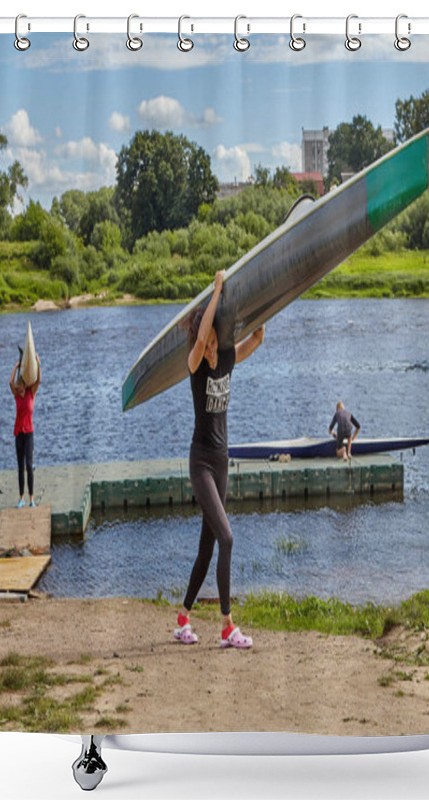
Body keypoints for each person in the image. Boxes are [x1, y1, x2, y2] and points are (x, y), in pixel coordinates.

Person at [175, 270, 265, 647]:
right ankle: (227, 627)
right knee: (226, 539)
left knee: (207, 548)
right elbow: (202, 332)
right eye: (207, 342)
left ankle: (183, 620)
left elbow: (257, 337)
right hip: (201, 464)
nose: (211, 349)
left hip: (222, 459)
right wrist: (215, 292)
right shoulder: (195, 364)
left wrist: (268, 298)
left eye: (213, 343)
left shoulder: (227, 357)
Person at [9, 351, 41, 508]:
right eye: (17, 386)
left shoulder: (31, 394)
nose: (18, 388)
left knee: (29, 466)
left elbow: (39, 380)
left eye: (20, 385)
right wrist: (16, 366)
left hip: (29, 434)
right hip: (18, 434)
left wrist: (38, 363)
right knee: (20, 467)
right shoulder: (16, 396)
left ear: (24, 385)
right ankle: (21, 498)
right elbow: (9, 382)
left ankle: (32, 499)